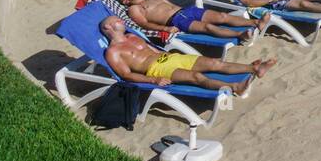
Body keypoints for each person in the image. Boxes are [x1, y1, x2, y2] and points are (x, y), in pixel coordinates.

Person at [99, 16, 275, 94]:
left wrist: (168, 54)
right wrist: (153, 80)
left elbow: (153, 49)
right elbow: (125, 75)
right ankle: (235, 87)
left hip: (169, 57)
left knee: (214, 64)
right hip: (156, 69)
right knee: (196, 77)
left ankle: (254, 68)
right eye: (115, 20)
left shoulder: (132, 36)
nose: (120, 20)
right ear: (108, 28)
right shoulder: (113, 52)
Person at [117, 0, 266, 40]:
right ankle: (239, 35)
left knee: (222, 16)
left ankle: (255, 22)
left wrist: (187, 11)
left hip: (185, 11)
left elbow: (172, 5)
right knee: (208, 28)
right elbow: (144, 24)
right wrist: (166, 29)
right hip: (175, 21)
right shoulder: (133, 9)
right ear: (125, 1)